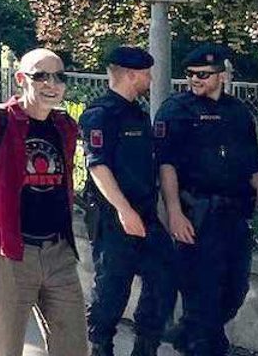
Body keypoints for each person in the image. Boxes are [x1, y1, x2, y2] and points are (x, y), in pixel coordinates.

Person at [0, 48, 86, 356]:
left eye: (59, 77)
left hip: (59, 250)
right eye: (41, 76)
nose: (52, 84)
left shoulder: (65, 126)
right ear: (21, 79)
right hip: (9, 249)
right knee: (8, 346)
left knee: (74, 345)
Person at [157, 44, 258, 356]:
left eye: (203, 74)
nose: (194, 80)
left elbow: (254, 167)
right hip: (198, 213)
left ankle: (188, 333)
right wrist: (174, 212)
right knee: (203, 299)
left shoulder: (237, 112)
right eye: (190, 74)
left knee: (235, 292)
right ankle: (201, 341)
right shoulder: (176, 110)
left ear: (222, 76)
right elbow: (166, 165)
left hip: (234, 216)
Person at [79, 46, 173, 356]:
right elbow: (98, 166)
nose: (150, 79)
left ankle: (146, 347)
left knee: (163, 278)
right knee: (112, 290)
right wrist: (123, 210)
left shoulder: (138, 112)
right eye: (146, 74)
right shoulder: (100, 113)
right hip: (113, 216)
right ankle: (101, 347)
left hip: (145, 213)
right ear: (131, 75)